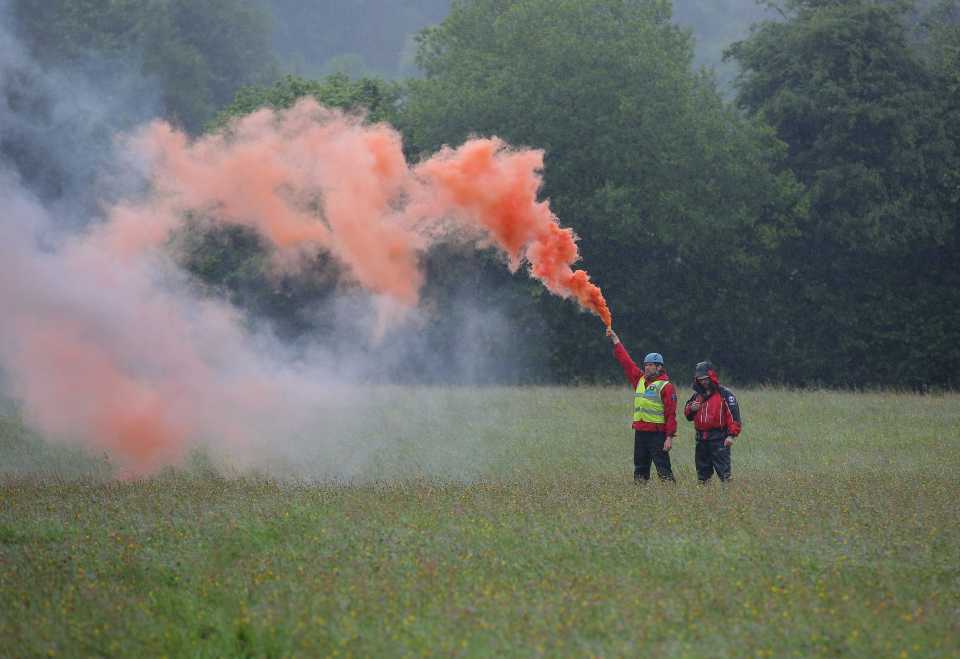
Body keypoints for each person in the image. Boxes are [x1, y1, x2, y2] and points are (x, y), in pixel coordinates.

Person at [606, 328, 677, 482]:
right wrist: (616, 341)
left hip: (657, 434)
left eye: (651, 365)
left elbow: (671, 414)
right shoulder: (639, 379)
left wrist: (669, 437)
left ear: (659, 367)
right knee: (640, 468)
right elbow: (626, 362)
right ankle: (640, 493)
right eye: (646, 365)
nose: (647, 367)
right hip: (640, 433)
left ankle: (671, 493)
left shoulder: (666, 386)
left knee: (663, 468)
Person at [683, 361, 742, 483]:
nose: (703, 382)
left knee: (725, 474)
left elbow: (734, 416)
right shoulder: (696, 395)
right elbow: (688, 415)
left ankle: (728, 497)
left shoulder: (725, 394)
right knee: (702, 476)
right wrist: (691, 409)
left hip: (719, 438)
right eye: (700, 379)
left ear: (711, 377)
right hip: (701, 439)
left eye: (705, 379)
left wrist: (731, 435)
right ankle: (705, 497)